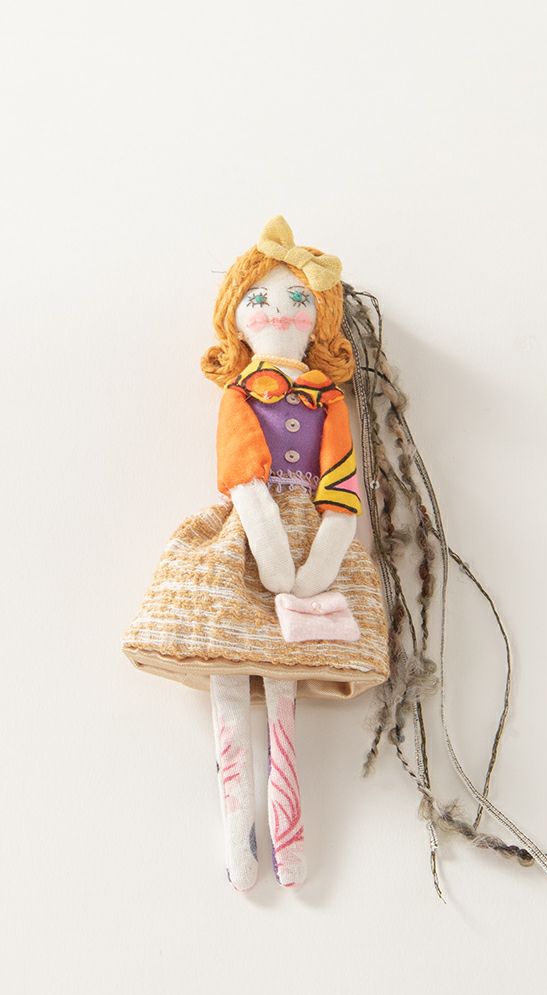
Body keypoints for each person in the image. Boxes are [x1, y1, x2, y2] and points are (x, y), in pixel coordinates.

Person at [122, 216, 390, 890]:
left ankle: (288, 830)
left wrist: (325, 555)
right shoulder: (239, 394)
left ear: (319, 316)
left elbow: (342, 481)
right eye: (260, 299)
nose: (278, 310)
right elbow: (241, 473)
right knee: (230, 665)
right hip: (250, 529)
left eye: (298, 298)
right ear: (236, 316)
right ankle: (236, 823)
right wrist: (272, 552)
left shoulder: (328, 398)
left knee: (283, 686)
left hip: (315, 535)